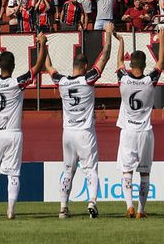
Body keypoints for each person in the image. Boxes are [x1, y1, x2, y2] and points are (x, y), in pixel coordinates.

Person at [44, 24, 114, 219]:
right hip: (85, 132)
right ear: (84, 67)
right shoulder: (88, 79)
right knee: (90, 168)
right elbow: (105, 56)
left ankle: (63, 207)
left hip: (68, 133)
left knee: (68, 170)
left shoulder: (63, 82)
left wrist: (43, 45)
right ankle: (92, 202)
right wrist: (108, 34)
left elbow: (48, 67)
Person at [0, 33, 48, 220]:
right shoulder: (17, 83)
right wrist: (42, 45)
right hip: (13, 133)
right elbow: (38, 67)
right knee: (13, 174)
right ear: (14, 66)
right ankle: (10, 211)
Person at [115, 28, 164, 219]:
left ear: (131, 64)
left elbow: (118, 62)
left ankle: (129, 206)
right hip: (145, 131)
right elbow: (160, 63)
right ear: (144, 65)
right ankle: (140, 210)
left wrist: (120, 41)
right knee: (144, 173)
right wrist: (161, 41)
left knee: (127, 170)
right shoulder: (149, 81)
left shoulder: (124, 80)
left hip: (128, 131)